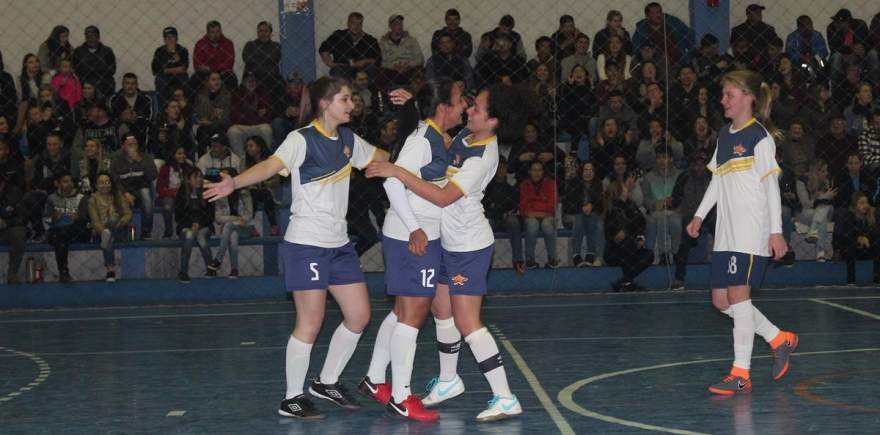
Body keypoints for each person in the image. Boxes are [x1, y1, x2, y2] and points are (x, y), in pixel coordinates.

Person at [203, 76, 389, 419]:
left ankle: (327, 381)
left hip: (338, 244)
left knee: (359, 315)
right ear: (325, 104)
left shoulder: (349, 139)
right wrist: (235, 182)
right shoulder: (301, 140)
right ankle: (291, 398)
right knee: (311, 321)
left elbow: (385, 159)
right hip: (306, 244)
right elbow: (270, 166)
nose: (351, 104)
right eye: (345, 99)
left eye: (351, 99)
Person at [365, 83, 528, 421]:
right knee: (441, 311)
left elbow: (442, 197)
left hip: (468, 246)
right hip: (447, 240)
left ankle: (505, 396)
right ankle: (449, 379)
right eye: (468, 105)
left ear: (494, 121)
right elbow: (437, 129)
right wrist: (418, 104)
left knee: (467, 321)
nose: (469, 110)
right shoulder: (466, 137)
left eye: (477, 109)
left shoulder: (483, 157)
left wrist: (397, 170)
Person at [357, 80, 466, 423]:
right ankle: (402, 397)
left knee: (404, 310)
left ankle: (375, 379)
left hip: (421, 234)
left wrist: (413, 104)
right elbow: (392, 181)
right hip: (411, 236)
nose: (465, 105)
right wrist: (415, 228)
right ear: (444, 107)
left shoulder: (429, 132)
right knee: (412, 316)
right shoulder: (421, 140)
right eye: (460, 100)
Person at [687, 70, 799, 395]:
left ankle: (741, 373)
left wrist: (776, 232)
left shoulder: (759, 137)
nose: (723, 100)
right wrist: (698, 215)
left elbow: (772, 186)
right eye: (723, 95)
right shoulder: (723, 135)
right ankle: (779, 339)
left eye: (729, 95)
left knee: (738, 295)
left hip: (751, 231)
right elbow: (717, 182)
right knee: (721, 301)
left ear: (748, 97)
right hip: (726, 232)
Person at [207, 168, 253, 279]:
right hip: (231, 228)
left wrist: (240, 220)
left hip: (245, 227)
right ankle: (234, 269)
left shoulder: (244, 193)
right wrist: (235, 219)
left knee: (229, 226)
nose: (223, 180)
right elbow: (217, 218)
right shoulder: (220, 195)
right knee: (232, 234)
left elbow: (249, 214)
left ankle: (218, 259)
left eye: (225, 177)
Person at [110, 135, 157, 240]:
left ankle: (146, 233)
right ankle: (121, 235)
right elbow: (114, 181)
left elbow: (153, 175)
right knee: (116, 200)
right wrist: (125, 193)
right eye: (129, 144)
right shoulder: (116, 161)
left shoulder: (145, 157)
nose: (133, 147)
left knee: (145, 194)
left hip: (141, 191)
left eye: (135, 144)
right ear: (123, 146)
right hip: (123, 193)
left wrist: (139, 160)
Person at [87, 172, 132, 282]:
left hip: (119, 229)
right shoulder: (92, 200)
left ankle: (110, 270)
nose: (105, 185)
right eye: (101, 183)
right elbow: (95, 221)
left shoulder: (118, 196)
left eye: (107, 182)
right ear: (96, 185)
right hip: (100, 233)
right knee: (108, 237)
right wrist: (103, 232)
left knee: (113, 219)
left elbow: (128, 214)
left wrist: (120, 222)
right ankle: (110, 269)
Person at [45, 172, 87, 282]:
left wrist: (78, 217)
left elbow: (87, 220)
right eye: (65, 181)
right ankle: (63, 272)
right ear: (57, 184)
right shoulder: (51, 199)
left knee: (61, 236)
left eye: (71, 181)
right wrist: (54, 217)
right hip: (58, 232)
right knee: (60, 237)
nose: (69, 184)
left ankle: (63, 272)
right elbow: (46, 221)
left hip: (77, 230)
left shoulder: (81, 197)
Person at [174, 166, 214, 282]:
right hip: (186, 226)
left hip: (204, 226)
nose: (199, 180)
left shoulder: (207, 192)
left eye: (201, 177)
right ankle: (183, 272)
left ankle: (211, 269)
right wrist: (191, 224)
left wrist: (198, 224)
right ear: (187, 179)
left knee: (201, 238)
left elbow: (210, 216)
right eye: (195, 177)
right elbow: (178, 217)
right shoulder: (181, 194)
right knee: (189, 235)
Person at [318, 12, 382, 79]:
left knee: (372, 69)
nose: (356, 27)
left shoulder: (370, 40)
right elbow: (323, 49)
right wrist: (332, 64)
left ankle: (370, 89)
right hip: (343, 68)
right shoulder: (339, 36)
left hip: (363, 70)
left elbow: (377, 59)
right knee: (336, 71)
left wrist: (364, 61)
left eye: (359, 24)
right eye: (353, 23)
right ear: (348, 23)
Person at [519, 160, 558, 269]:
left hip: (547, 217)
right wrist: (542, 208)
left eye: (539, 170)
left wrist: (534, 208)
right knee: (532, 224)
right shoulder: (524, 185)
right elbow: (523, 208)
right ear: (529, 171)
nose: (537, 173)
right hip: (532, 217)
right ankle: (530, 260)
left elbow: (551, 206)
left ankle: (552, 258)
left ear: (543, 172)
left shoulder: (551, 184)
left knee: (547, 225)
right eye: (534, 170)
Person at [796, 159, 836, 261]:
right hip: (808, 212)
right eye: (823, 171)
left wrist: (825, 198)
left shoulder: (828, 181)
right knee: (820, 218)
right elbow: (805, 204)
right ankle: (820, 252)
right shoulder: (801, 181)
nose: (826, 173)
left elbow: (831, 203)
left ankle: (813, 232)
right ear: (815, 172)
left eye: (826, 170)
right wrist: (820, 198)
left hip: (827, 210)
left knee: (824, 209)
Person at [836, 192, 880, 285]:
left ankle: (877, 278)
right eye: (861, 203)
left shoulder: (872, 216)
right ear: (855, 205)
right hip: (852, 250)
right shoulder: (849, 216)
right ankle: (851, 280)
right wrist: (859, 238)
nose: (865, 206)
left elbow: (876, 232)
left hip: (867, 248)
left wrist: (866, 237)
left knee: (877, 242)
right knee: (850, 243)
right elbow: (846, 234)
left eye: (866, 203)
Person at [227, 72, 273, 157]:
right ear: (243, 82)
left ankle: (266, 158)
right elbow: (235, 117)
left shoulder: (262, 93)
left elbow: (268, 115)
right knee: (232, 131)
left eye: (253, 81)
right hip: (242, 127)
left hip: (259, 126)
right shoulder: (237, 93)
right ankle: (243, 160)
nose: (251, 83)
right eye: (248, 81)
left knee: (267, 129)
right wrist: (256, 115)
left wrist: (246, 115)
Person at [242, 136, 280, 236]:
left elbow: (276, 180)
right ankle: (251, 226)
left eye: (251, 146)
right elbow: (241, 179)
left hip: (266, 189)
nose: (248, 148)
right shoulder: (244, 160)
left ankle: (273, 226)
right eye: (247, 146)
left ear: (259, 147)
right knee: (253, 197)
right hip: (250, 191)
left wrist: (266, 183)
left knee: (266, 195)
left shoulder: (270, 160)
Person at [157, 146, 192, 239]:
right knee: (167, 207)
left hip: (185, 195)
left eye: (184, 154)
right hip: (169, 195)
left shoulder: (189, 168)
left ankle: (182, 230)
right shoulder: (165, 168)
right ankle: (168, 231)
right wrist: (174, 193)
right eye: (179, 154)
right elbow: (160, 188)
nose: (182, 156)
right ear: (173, 155)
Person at [191, 21, 237, 91]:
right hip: (205, 74)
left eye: (218, 32)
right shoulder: (200, 44)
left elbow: (229, 63)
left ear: (220, 31)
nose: (216, 35)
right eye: (212, 32)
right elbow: (197, 64)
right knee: (194, 80)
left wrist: (210, 68)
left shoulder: (228, 43)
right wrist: (211, 69)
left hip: (223, 73)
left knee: (232, 80)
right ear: (207, 33)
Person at [72, 26, 116, 98]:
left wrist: (96, 75)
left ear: (98, 37)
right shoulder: (78, 51)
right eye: (88, 36)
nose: (91, 39)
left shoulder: (107, 51)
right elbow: (76, 70)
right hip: (84, 86)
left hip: (103, 85)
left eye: (93, 36)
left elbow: (112, 70)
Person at [0, 171, 27, 284]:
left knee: (19, 232)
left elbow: (23, 218)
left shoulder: (14, 193)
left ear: (2, 183)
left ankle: (12, 274)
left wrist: (6, 222)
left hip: (6, 231)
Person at [151, 27, 189, 103]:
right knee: (160, 80)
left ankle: (184, 108)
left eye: (172, 37)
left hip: (179, 77)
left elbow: (184, 68)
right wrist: (174, 70)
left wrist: (179, 61)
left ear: (176, 38)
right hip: (164, 78)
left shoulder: (182, 50)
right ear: (164, 40)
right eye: (167, 37)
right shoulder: (159, 51)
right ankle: (162, 109)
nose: (170, 39)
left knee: (185, 80)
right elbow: (155, 69)